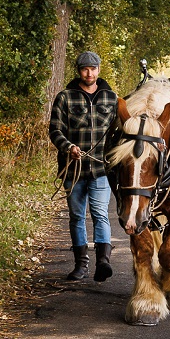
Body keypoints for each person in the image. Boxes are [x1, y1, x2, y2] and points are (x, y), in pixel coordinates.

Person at [48, 51, 118, 282]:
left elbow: (121, 131)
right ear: (79, 71)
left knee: (100, 214)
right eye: (85, 69)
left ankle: (103, 262)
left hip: (100, 169)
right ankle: (81, 265)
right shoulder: (65, 97)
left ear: (99, 69)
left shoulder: (111, 97)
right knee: (77, 216)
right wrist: (68, 147)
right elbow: (55, 130)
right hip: (73, 168)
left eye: (93, 68)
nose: (90, 73)